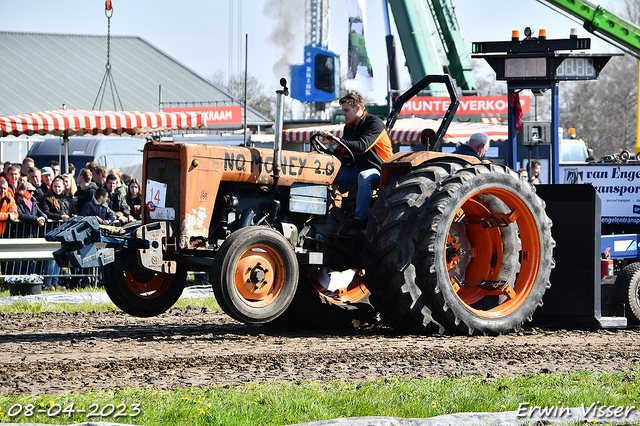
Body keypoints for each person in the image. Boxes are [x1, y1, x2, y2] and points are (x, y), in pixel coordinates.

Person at [319, 92, 393, 230]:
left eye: (346, 110)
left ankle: (359, 219)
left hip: (380, 169)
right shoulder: (349, 127)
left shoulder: (374, 122)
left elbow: (362, 146)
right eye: (343, 111)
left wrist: (336, 140)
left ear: (358, 108)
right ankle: (323, 213)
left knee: (364, 177)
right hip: (357, 167)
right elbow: (343, 152)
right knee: (325, 174)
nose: (344, 114)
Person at [11, 182, 47, 275]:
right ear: (22, 191)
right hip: (21, 234)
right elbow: (20, 215)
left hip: (32, 234)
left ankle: (29, 279)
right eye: (30, 191)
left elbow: (42, 214)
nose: (32, 193)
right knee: (19, 261)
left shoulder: (33, 202)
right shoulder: (17, 201)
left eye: (33, 191)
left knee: (30, 260)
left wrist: (42, 218)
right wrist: (36, 219)